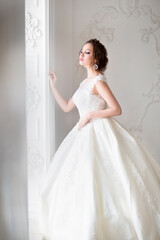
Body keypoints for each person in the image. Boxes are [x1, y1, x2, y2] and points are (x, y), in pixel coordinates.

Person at [40, 39, 160, 240]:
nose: (81, 54)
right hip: (82, 134)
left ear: (95, 58)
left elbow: (116, 109)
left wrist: (89, 115)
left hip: (100, 132)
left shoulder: (98, 82)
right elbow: (67, 106)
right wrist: (53, 85)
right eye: (82, 51)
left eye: (87, 52)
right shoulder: (84, 84)